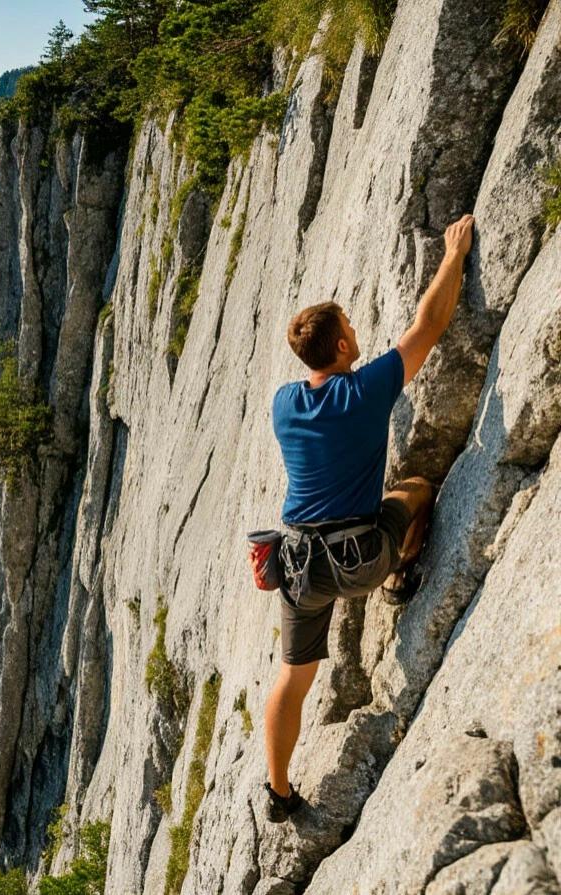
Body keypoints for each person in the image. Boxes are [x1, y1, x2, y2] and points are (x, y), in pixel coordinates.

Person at [253, 213, 476, 822]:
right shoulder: (365, 390)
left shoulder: (283, 404)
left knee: (292, 679)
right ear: (346, 347)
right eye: (352, 328)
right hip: (363, 559)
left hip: (298, 566)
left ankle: (277, 792)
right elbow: (428, 326)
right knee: (417, 488)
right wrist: (453, 254)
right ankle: (403, 572)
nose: (358, 332)